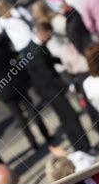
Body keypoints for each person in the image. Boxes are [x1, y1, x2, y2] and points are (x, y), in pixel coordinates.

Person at [24, 22, 91, 153]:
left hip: (48, 89)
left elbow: (50, 60)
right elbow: (48, 75)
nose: (50, 39)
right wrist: (69, 85)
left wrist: (65, 61)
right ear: (41, 33)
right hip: (50, 90)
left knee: (66, 118)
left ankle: (80, 147)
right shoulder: (36, 51)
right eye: (49, 35)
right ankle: (83, 147)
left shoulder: (34, 46)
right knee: (70, 117)